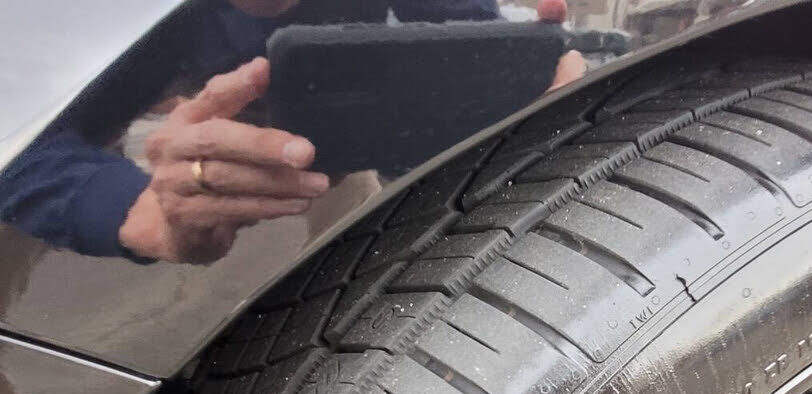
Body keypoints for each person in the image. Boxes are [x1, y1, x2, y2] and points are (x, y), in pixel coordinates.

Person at [0, 0, 582, 264]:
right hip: (133, 164)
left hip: (325, 172)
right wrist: (135, 210)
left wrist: (528, 86)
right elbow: (20, 142)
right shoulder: (105, 19)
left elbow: (476, 46)